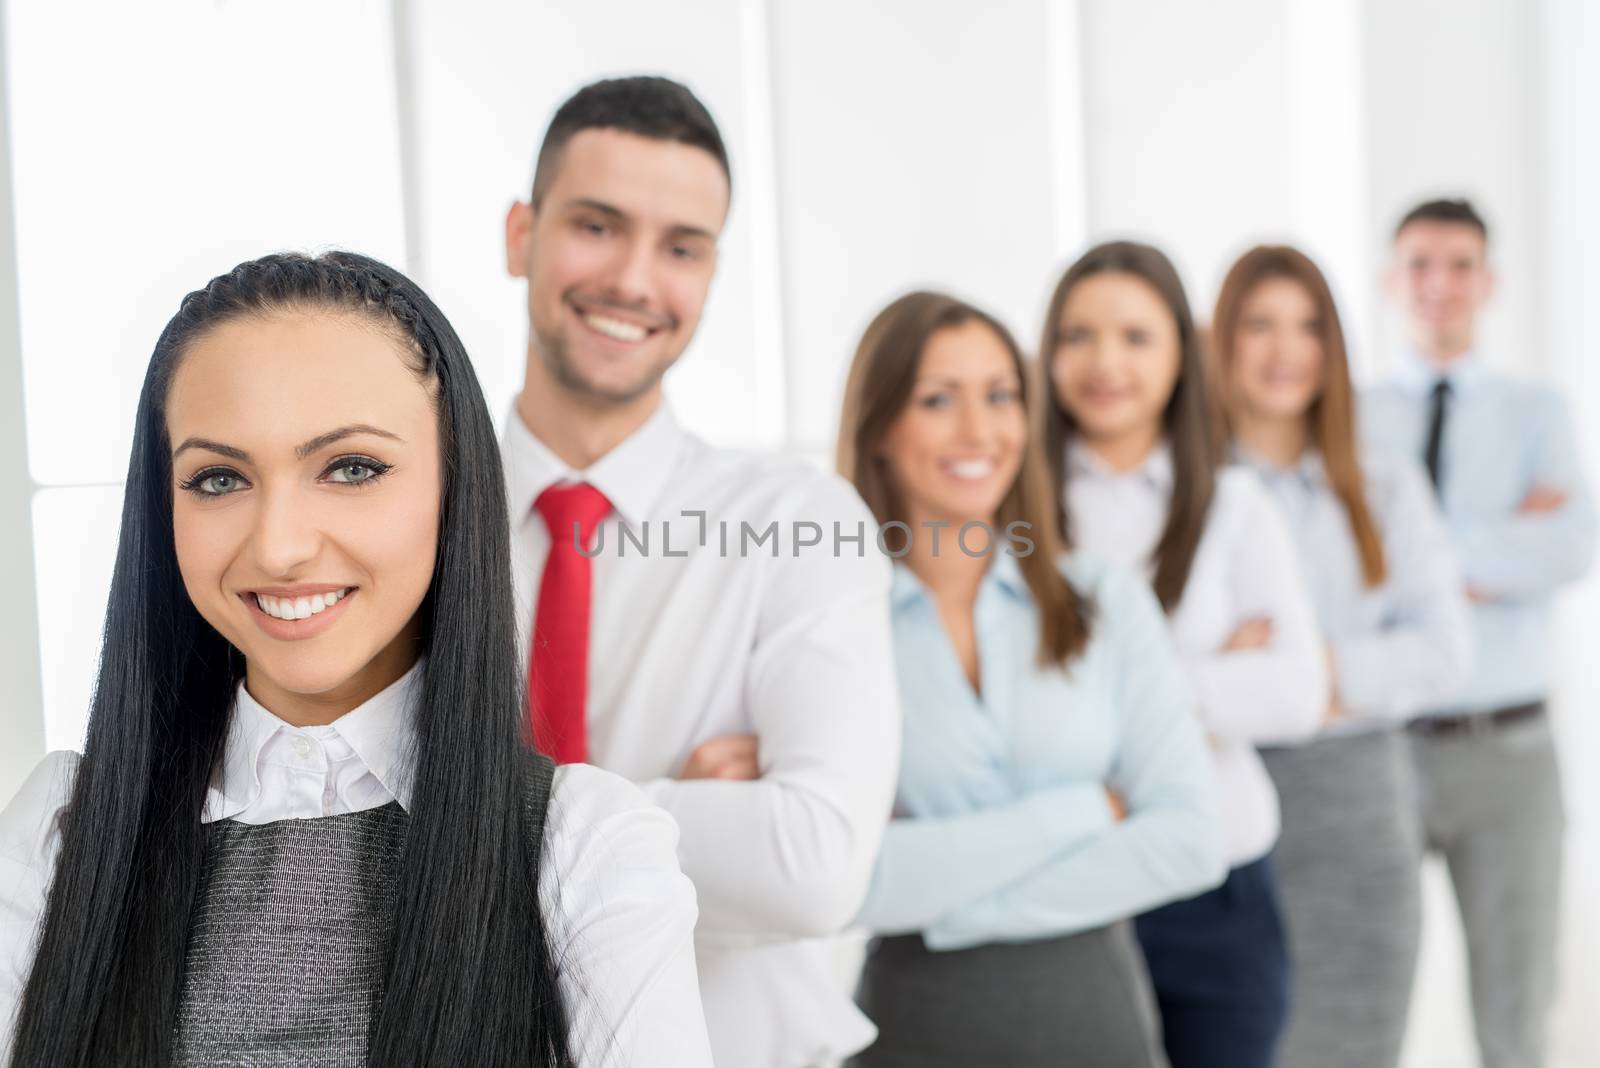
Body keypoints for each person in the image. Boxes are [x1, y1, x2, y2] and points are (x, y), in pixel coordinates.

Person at [0, 252, 710, 1066]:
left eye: (351, 468)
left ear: (455, 487)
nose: (279, 545)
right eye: (218, 479)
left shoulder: (582, 848)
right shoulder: (61, 834)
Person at [501, 76, 900, 1067]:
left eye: (681, 247)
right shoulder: (403, 525)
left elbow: (812, 869)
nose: (636, 280)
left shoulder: (798, 524)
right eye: (597, 225)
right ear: (521, 236)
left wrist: (495, 821)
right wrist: (659, 806)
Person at [837, 292, 1224, 1067]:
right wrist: (1078, 813)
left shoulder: (1104, 602)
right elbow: (843, 881)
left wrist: (941, 896)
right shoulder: (837, 624)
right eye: (939, 400)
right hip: (912, 1031)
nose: (980, 431)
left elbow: (1190, 840)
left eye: (1001, 396)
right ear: (881, 425)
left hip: (1095, 1024)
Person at [1039, 240, 1328, 1068]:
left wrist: (1116, 683)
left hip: (1217, 888)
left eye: (1136, 336)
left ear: (1180, 356)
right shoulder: (1013, 509)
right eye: (1077, 335)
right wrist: (1205, 677)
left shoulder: (1235, 505)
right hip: (1064, 881)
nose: (1105, 362)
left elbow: (1297, 694)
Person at [1213, 244, 1473, 1067]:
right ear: (1221, 342)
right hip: (1223, 810)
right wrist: (1346, 671)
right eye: (1260, 324)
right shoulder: (1192, 492)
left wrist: (1291, 673)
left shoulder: (1385, 487)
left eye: (1308, 326)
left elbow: (1442, 654)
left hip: (1359, 822)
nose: (1285, 349)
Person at [1363, 198, 1596, 1068]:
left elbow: (1572, 544)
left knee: (1516, 1012)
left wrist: (1415, 560)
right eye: (1420, 264)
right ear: (1393, 280)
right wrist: (1500, 544)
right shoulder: (1351, 411)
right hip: (1382, 749)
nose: (1439, 285)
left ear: (1488, 282)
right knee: (1361, 998)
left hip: (1509, 750)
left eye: (1460, 265)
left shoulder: (1537, 409)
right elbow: (1342, 568)